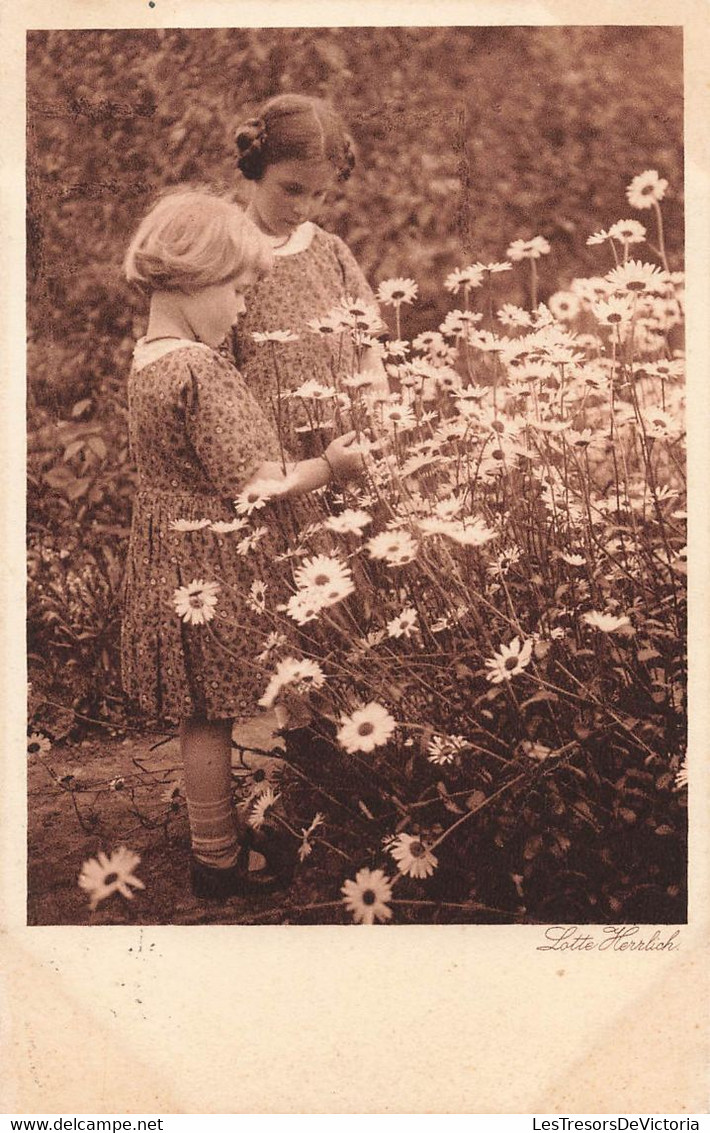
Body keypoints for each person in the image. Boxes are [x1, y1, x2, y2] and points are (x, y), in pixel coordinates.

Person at [121, 188, 365, 899]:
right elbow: (255, 483)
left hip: (169, 556)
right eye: (236, 289)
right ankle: (219, 862)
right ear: (193, 279)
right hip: (209, 567)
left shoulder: (150, 358)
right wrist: (329, 467)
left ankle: (215, 844)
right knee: (213, 715)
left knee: (202, 714)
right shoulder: (200, 370)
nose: (243, 308)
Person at [232, 93, 387, 456]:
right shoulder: (228, 254)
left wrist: (381, 427)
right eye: (291, 189)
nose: (302, 208)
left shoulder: (331, 252)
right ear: (257, 169)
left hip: (347, 452)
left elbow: (369, 356)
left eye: (319, 194)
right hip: (272, 459)